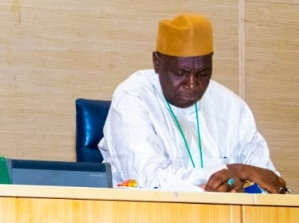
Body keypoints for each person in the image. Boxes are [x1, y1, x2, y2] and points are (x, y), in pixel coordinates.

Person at [99, 13, 288, 193]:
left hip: (223, 215)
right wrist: (232, 172)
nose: (192, 85)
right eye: (181, 73)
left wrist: (240, 181)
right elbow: (149, 180)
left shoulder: (231, 106)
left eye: (202, 74)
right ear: (157, 62)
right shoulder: (133, 98)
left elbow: (270, 183)